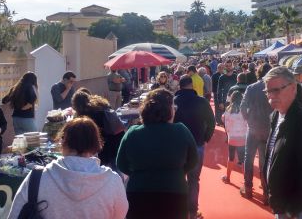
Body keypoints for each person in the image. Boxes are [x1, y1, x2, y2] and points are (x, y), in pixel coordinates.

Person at [8, 117, 128, 219]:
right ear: (96, 144)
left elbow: (14, 215)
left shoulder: (37, 178)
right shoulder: (112, 180)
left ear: (63, 142)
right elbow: (120, 215)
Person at [117, 89, 198, 219]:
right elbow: (193, 160)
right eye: (173, 107)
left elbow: (121, 164)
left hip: (139, 192)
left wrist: (139, 173)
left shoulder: (132, 133)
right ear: (169, 110)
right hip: (174, 191)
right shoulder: (181, 130)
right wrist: (177, 172)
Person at [262, 67, 302, 219]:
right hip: (283, 203)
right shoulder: (276, 115)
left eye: (276, 90)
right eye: (268, 91)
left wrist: (293, 209)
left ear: (293, 88)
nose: (271, 96)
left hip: (300, 209)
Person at [173, 76, 215, 219]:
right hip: (197, 143)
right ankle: (192, 212)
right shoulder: (201, 101)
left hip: (177, 145)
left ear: (180, 86)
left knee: (178, 179)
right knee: (193, 180)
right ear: (191, 85)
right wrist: (206, 137)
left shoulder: (173, 101)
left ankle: (180, 211)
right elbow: (211, 121)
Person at [240, 63, 272, 202]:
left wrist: (248, 120)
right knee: (264, 161)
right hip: (267, 128)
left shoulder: (251, 88)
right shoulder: (271, 88)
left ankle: (248, 188)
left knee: (249, 158)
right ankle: (266, 192)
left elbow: (242, 107)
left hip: (253, 127)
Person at [72, 91, 124, 169]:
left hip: (105, 145)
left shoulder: (87, 115)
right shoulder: (99, 106)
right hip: (115, 139)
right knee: (115, 167)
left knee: (106, 168)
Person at [221, 78, 248, 185]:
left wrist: (228, 133)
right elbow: (247, 123)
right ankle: (246, 181)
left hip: (232, 137)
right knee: (243, 159)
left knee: (231, 157)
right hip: (243, 137)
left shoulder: (228, 110)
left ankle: (228, 177)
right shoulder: (245, 110)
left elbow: (224, 121)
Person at [216, 60, 237, 125]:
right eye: (227, 66)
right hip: (225, 101)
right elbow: (219, 90)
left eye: (230, 66)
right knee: (227, 120)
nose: (228, 67)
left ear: (232, 66)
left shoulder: (235, 76)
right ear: (225, 67)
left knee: (235, 119)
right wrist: (220, 102)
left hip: (235, 100)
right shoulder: (222, 77)